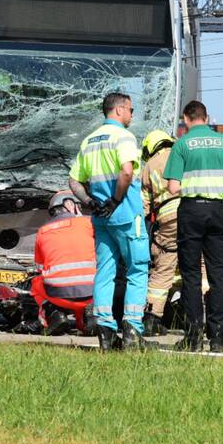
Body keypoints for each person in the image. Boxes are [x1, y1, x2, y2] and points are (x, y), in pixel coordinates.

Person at [68, 92, 153, 351]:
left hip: (101, 219)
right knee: (137, 270)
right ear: (118, 111)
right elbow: (126, 171)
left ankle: (105, 333)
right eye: (130, 109)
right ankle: (132, 330)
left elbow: (73, 181)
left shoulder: (90, 140)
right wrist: (116, 201)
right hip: (126, 215)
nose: (132, 114)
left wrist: (90, 201)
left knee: (105, 272)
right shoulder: (124, 137)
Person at [164, 100, 223, 352]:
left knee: (191, 275)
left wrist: (193, 186)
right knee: (218, 274)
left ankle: (193, 336)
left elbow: (173, 187)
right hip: (217, 211)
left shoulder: (183, 144)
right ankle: (218, 338)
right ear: (206, 118)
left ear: (187, 119)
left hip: (191, 211)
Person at [31, 191, 96, 335]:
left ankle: (56, 315)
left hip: (59, 295)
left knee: (36, 283)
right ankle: (91, 317)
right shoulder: (88, 223)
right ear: (72, 205)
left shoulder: (42, 231)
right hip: (93, 293)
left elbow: (40, 267)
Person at [140, 129, 179, 335]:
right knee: (199, 269)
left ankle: (152, 319)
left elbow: (143, 207)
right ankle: (200, 319)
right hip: (194, 216)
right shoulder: (182, 153)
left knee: (163, 269)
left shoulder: (148, 166)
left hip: (167, 221)